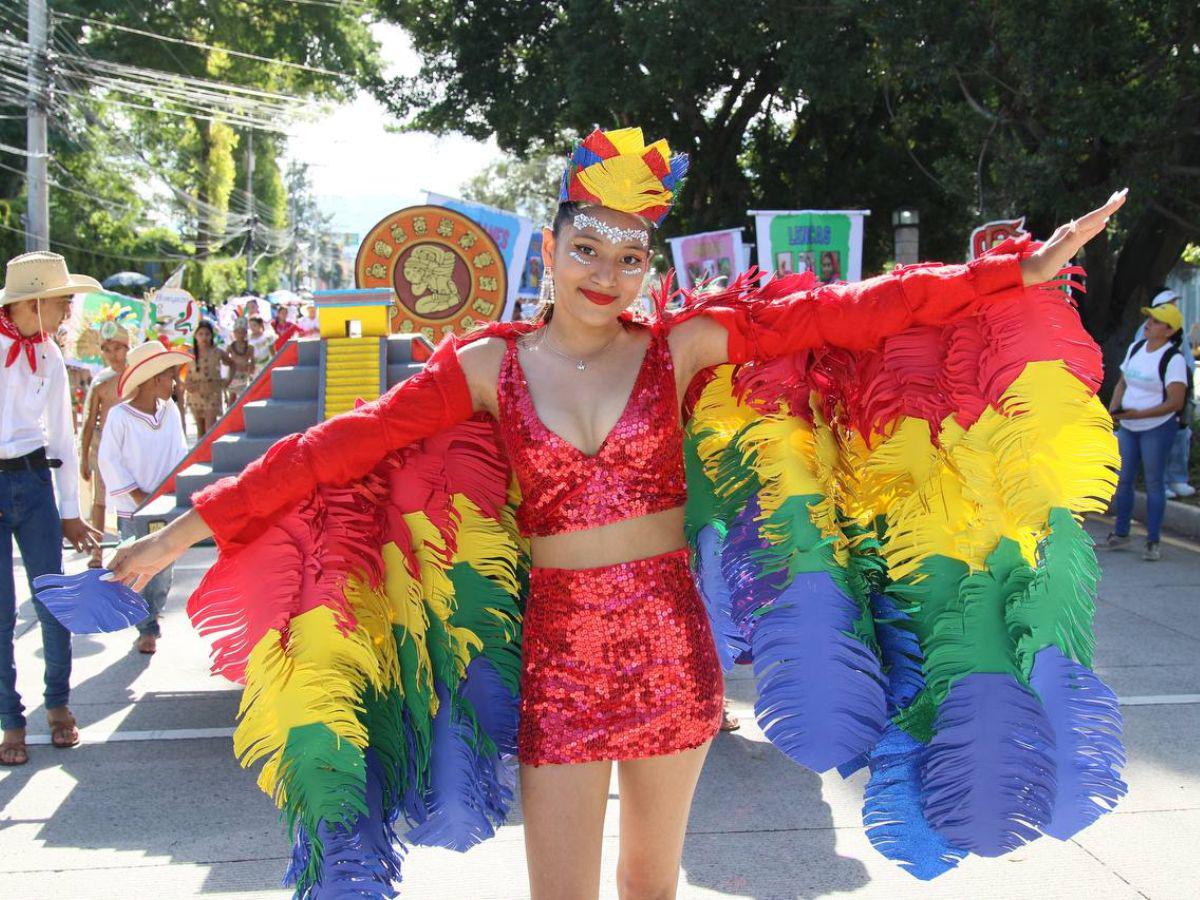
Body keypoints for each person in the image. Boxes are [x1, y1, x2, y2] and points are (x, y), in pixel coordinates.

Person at [105, 128, 1124, 895]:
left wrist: (1009, 273)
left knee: (649, 885)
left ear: (653, 267)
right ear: (549, 248)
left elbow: (850, 310)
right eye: (588, 248)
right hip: (561, 653)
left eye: (633, 256)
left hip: (672, 642)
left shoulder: (679, 347)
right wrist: (172, 535)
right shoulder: (485, 366)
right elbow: (326, 454)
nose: (609, 274)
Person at [0, 251, 102, 766]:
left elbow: (60, 435)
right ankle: (9, 719)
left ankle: (58, 704)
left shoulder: (51, 356)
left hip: (35, 482)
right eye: (63, 301)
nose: (68, 311)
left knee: (51, 599)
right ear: (33, 302)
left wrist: (69, 509)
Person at [98, 342, 190, 654]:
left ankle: (153, 613)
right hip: (132, 510)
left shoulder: (171, 412)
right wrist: (139, 496)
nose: (174, 383)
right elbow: (109, 460)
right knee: (136, 567)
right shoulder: (120, 416)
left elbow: (180, 454)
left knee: (162, 570)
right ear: (153, 380)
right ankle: (146, 628)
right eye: (169, 377)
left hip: (162, 508)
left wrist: (171, 490)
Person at [1107, 303, 1189, 560]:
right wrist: (1114, 411)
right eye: (1149, 319)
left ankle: (1153, 541)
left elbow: (1175, 402)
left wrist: (1137, 415)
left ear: (1168, 330)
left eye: (1155, 321)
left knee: (1154, 482)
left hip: (1157, 428)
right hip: (1129, 427)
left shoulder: (1173, 359)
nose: (1148, 324)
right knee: (1124, 480)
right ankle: (1121, 533)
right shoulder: (1136, 348)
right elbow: (1122, 383)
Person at [78, 324, 131, 567]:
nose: (112, 354)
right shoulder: (100, 382)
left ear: (128, 348)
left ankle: (133, 544)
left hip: (131, 448)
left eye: (117, 348)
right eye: (106, 349)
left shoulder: (138, 377)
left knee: (131, 498)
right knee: (99, 500)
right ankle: (97, 551)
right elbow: (89, 421)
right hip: (103, 449)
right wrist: (83, 457)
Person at [1137, 288, 1195, 498]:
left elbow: (1187, 360)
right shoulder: (1147, 329)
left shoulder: (1178, 329)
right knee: (1159, 438)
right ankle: (1161, 482)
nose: (1173, 306)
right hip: (1157, 392)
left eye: (1173, 303)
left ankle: (1177, 479)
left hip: (1180, 390)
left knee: (1180, 435)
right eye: (1168, 303)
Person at [183, 320, 224, 436]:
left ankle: (212, 453)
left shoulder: (217, 352)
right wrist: (185, 384)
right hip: (196, 394)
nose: (204, 337)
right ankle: (201, 454)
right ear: (195, 336)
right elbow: (179, 372)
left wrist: (227, 380)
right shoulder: (190, 353)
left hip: (212, 392)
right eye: (200, 334)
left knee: (210, 429)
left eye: (207, 334)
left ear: (211, 336)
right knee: (200, 431)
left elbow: (231, 364)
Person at [223, 319, 256, 406]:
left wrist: (251, 369)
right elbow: (224, 360)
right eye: (238, 332)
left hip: (244, 375)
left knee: (244, 397)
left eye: (242, 332)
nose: (240, 335)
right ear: (234, 333)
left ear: (245, 333)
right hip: (233, 375)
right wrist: (232, 364)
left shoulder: (250, 347)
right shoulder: (230, 347)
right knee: (232, 396)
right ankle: (229, 415)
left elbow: (253, 361)